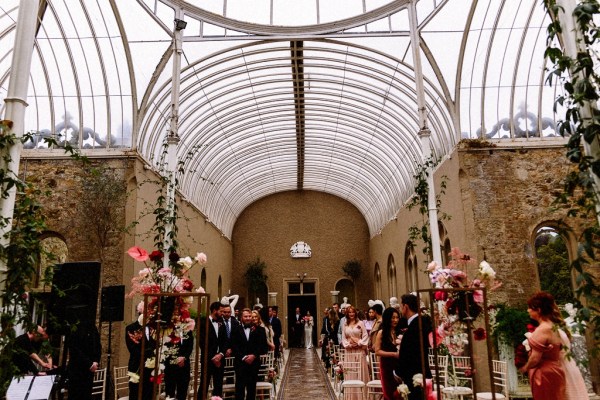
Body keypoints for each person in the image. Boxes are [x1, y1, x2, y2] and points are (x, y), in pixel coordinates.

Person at [518, 292, 566, 400]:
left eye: (530, 308)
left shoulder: (543, 329)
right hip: (556, 369)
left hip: (544, 373)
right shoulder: (553, 326)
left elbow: (535, 358)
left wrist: (525, 367)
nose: (528, 310)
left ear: (538, 310)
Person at [395, 294, 431, 400]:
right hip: (422, 371)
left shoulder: (414, 327)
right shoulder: (423, 322)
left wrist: (398, 372)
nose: (401, 310)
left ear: (405, 306)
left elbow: (409, 353)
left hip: (414, 375)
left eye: (401, 306)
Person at [231, 308, 268, 400]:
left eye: (249, 316)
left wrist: (254, 355)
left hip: (254, 364)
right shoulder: (235, 330)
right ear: (241, 318)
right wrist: (243, 357)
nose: (248, 318)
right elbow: (234, 347)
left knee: (251, 390)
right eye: (245, 316)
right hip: (240, 364)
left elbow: (264, 347)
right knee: (239, 389)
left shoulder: (260, 330)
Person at [66, 317, 101, 400]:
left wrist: (96, 361)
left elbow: (98, 346)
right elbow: (75, 349)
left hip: (89, 370)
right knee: (75, 394)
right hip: (77, 369)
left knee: (86, 394)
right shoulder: (74, 328)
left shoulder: (92, 328)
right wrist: (89, 363)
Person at [198, 301, 227, 399]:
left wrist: (221, 355)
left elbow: (224, 341)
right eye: (221, 311)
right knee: (204, 384)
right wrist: (213, 357)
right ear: (214, 311)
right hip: (207, 359)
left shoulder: (222, 322)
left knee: (218, 385)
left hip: (220, 359)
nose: (223, 314)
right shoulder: (203, 322)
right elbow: (201, 342)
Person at [341, 305, 369, 399]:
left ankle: (362, 396)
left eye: (353, 312)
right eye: (349, 312)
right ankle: (352, 396)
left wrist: (359, 343)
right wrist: (348, 345)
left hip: (359, 350)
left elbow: (365, 336)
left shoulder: (360, 323)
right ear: (347, 314)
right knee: (350, 372)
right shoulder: (345, 324)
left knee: (360, 371)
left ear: (355, 313)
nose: (351, 314)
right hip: (349, 351)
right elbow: (343, 338)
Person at [375, 307, 402, 400]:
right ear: (387, 318)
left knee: (400, 393)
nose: (395, 320)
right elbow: (377, 351)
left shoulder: (400, 332)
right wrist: (393, 354)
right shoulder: (381, 333)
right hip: (386, 366)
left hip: (399, 366)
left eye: (397, 317)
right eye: (393, 318)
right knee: (389, 394)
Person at [125, 318, 155, 400]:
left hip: (150, 367)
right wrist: (146, 355)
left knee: (149, 393)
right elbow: (132, 348)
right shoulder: (131, 328)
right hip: (136, 366)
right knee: (135, 393)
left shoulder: (152, 328)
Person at [164, 328, 194, 400]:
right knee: (170, 394)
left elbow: (190, 347)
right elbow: (165, 347)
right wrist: (175, 359)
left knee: (182, 393)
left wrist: (184, 357)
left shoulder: (188, 331)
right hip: (170, 367)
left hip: (184, 366)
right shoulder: (167, 330)